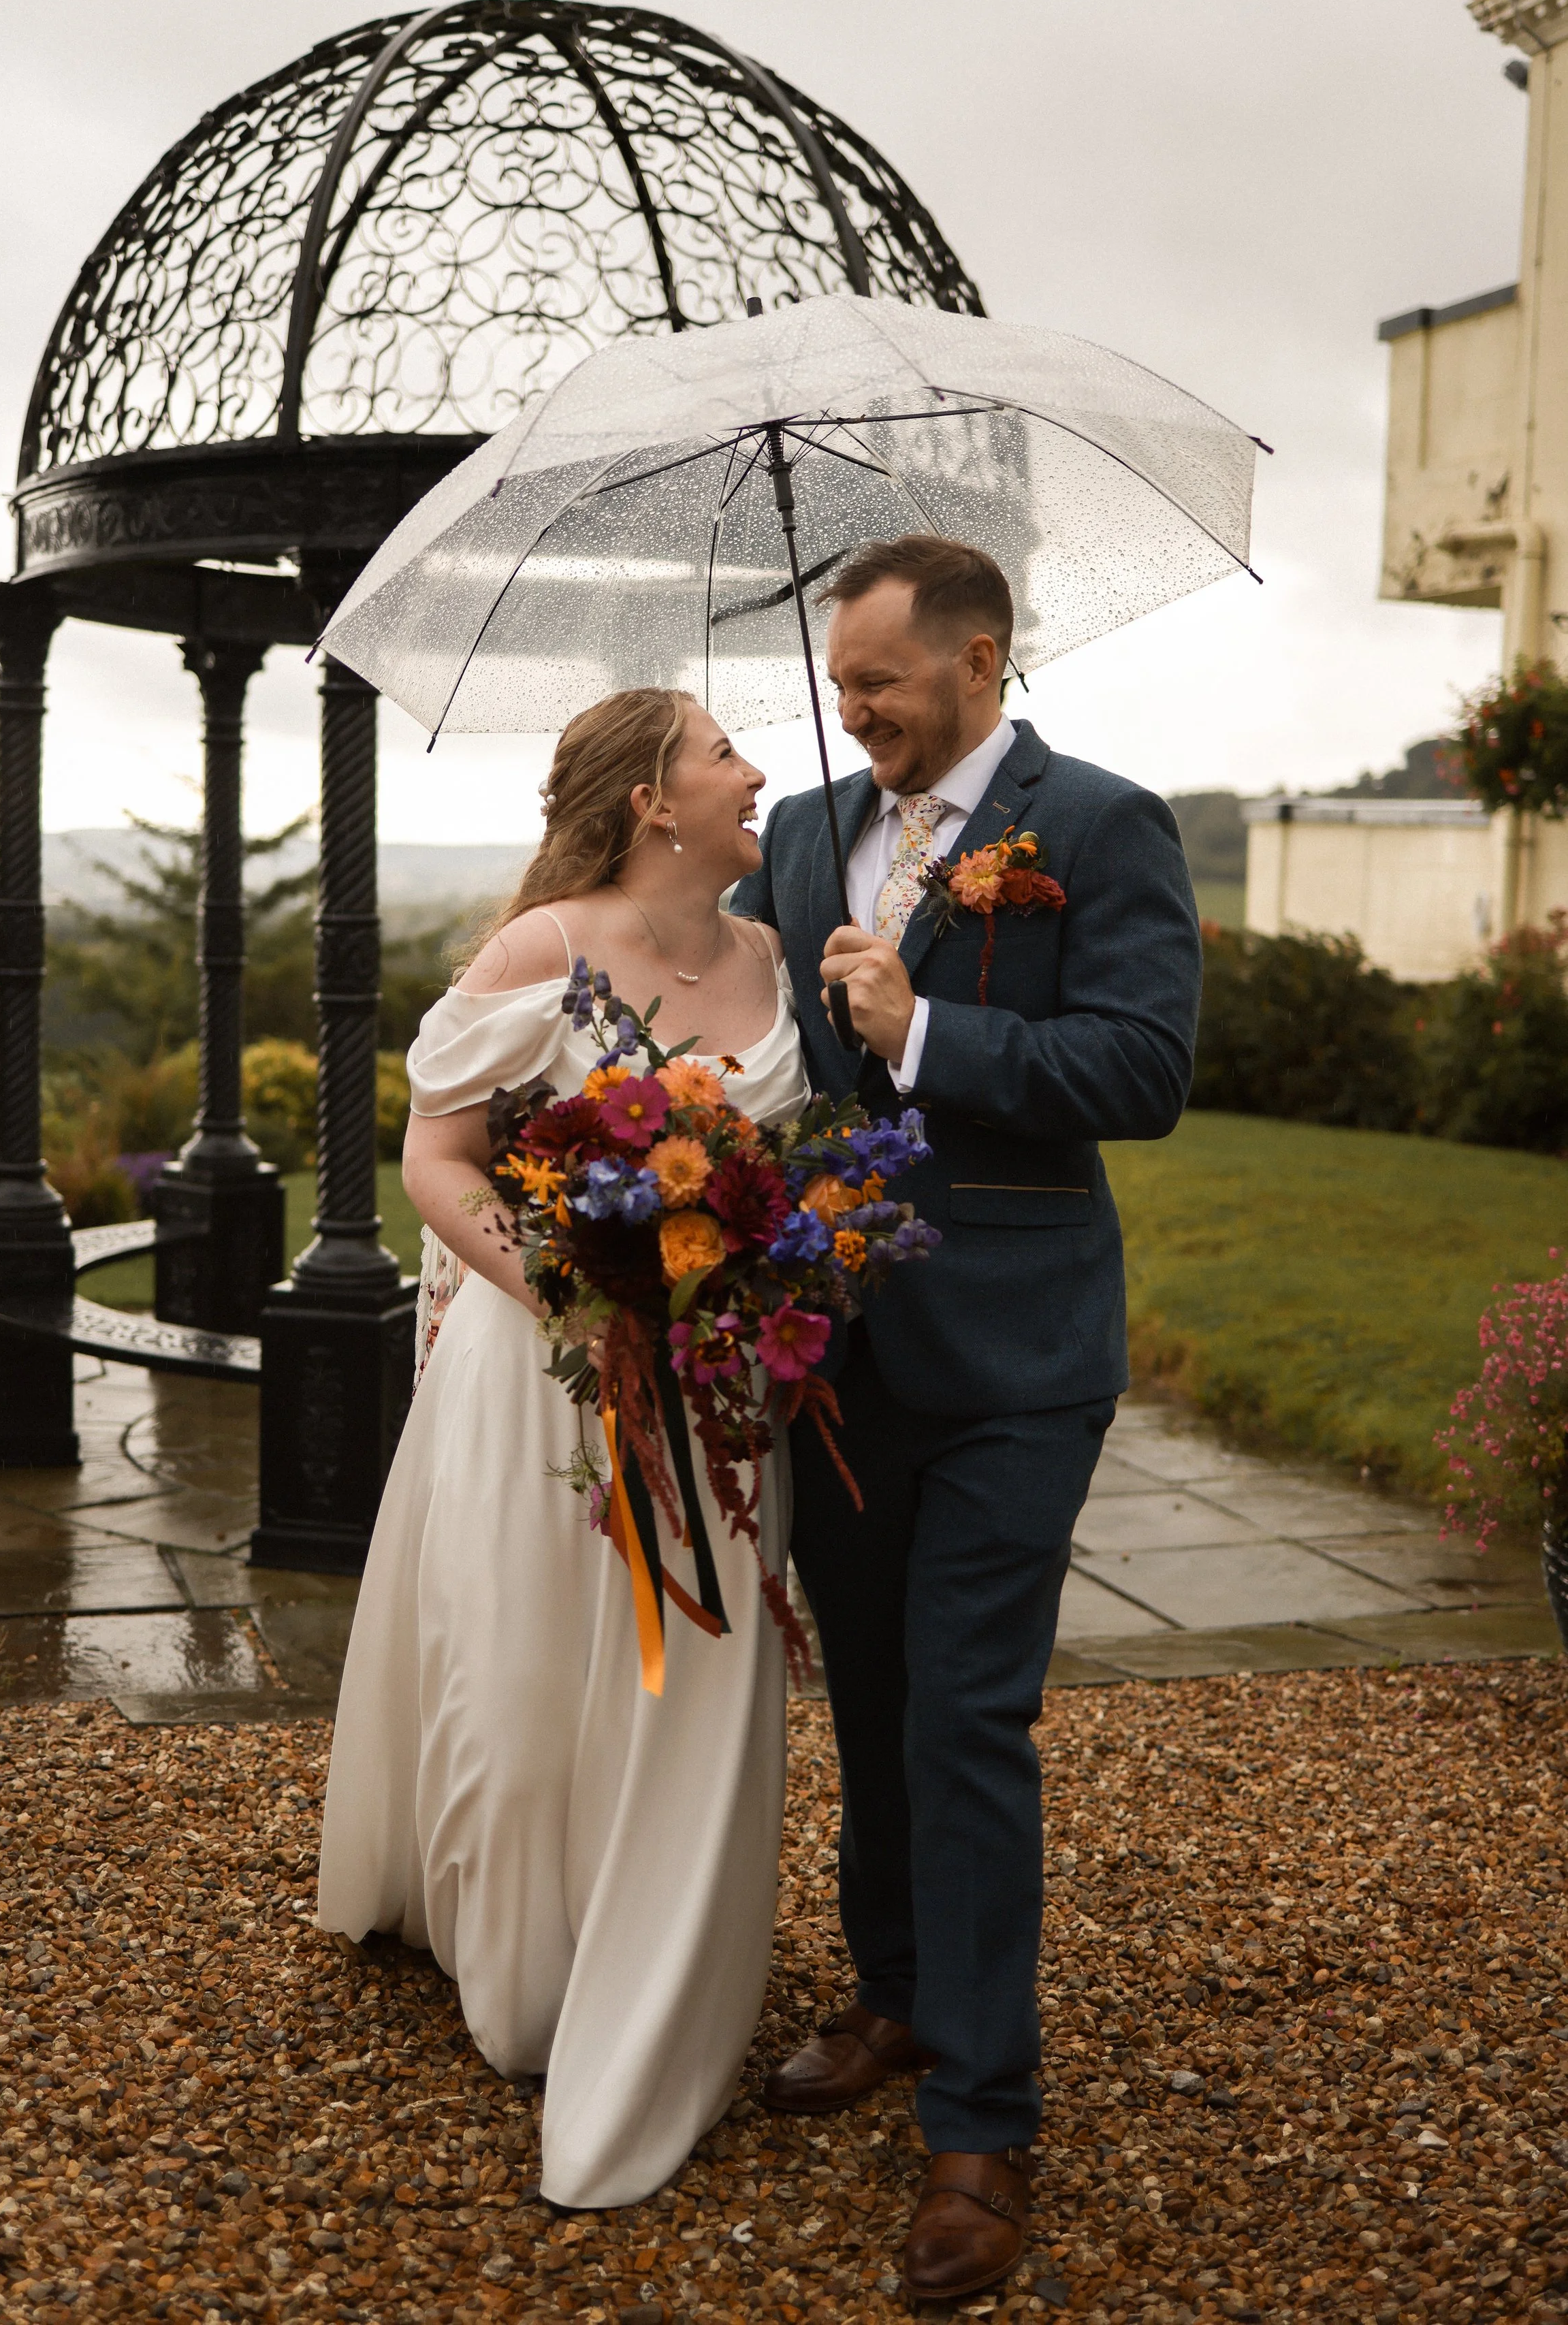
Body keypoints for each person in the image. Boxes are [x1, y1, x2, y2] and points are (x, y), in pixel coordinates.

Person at [731, 534, 1201, 2300]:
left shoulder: (1097, 828)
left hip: (1016, 1354)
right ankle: (899, 1994)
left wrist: (926, 1030)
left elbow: (1140, 1072)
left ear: (981, 658)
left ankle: (981, 2126)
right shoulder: (797, 841)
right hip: (832, 1361)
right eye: (837, 684)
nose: (849, 715)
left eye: (881, 684)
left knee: (967, 1716)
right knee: (867, 1696)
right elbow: (763, 1060)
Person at [316, 687, 809, 2211]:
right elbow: (435, 1156)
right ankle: (524, 1953)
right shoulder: (541, 949)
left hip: (718, 1390)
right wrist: (577, 1299)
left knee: (692, 1685)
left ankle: (657, 1957)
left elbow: (786, 1168)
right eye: (725, 753)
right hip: (541, 1373)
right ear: (654, 799)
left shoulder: (775, 955)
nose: (756, 773)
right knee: (527, 1675)